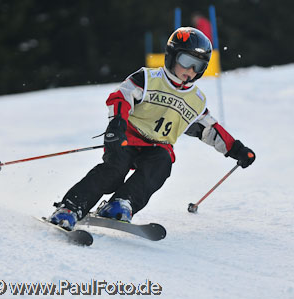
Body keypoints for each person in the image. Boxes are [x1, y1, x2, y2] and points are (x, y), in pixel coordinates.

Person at [49, 27, 255, 230]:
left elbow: (210, 130)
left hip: (158, 147)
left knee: (160, 167)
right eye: (186, 62)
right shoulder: (148, 79)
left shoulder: (196, 100)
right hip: (128, 137)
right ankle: (71, 207)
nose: (190, 70)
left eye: (198, 66)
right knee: (113, 171)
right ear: (172, 56)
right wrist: (117, 124)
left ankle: (121, 204)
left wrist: (236, 149)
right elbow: (121, 97)